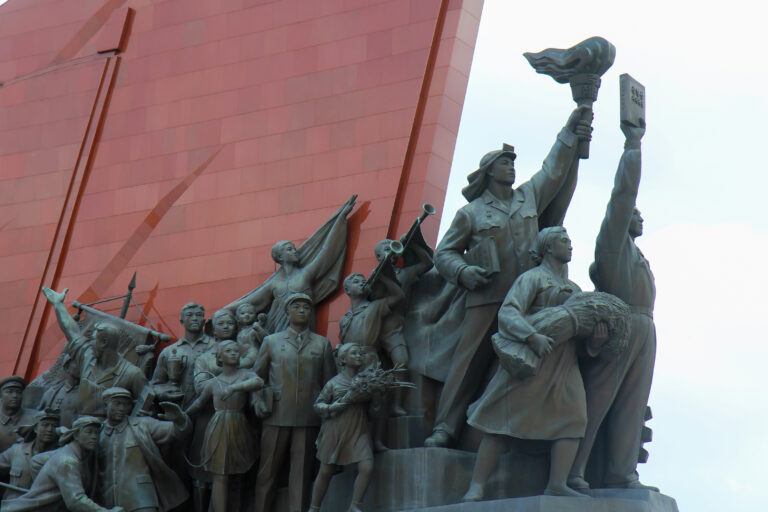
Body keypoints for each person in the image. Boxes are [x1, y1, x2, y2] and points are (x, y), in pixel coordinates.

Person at [424, 106, 592, 447]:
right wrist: (464, 271)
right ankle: (445, 427)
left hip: (530, 298)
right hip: (486, 296)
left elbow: (553, 170)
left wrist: (568, 131)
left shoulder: (527, 196)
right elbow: (444, 253)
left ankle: (521, 434)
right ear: (489, 172)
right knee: (468, 364)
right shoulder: (470, 213)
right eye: (505, 163)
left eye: (514, 163)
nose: (512, 168)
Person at [462, 227, 607, 500]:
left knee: (575, 420)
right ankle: (477, 485)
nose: (570, 246)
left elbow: (580, 334)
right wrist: (531, 336)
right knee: (501, 420)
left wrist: (595, 344)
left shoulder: (575, 289)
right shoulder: (532, 278)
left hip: (565, 362)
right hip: (532, 359)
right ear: (548, 247)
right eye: (565, 241)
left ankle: (557, 483)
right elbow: (508, 312)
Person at [568, 120, 658, 492]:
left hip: (645, 327)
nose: (639, 216)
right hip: (620, 324)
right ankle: (572, 470)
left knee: (631, 407)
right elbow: (622, 194)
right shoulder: (612, 246)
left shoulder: (637, 255)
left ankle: (622, 473)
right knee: (597, 402)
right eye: (635, 213)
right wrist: (632, 146)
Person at [224, 195, 356, 334]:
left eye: (293, 248)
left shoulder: (305, 274)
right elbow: (252, 299)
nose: (294, 251)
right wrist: (225, 311)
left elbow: (326, 253)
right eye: (289, 249)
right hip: (278, 328)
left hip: (303, 327)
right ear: (279, 257)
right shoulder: (274, 283)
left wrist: (340, 220)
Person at [253, 293, 336, 512]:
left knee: (301, 475)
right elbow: (257, 379)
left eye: (306, 308)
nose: (302, 311)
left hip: (309, 416)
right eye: (297, 307)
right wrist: (257, 402)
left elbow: (330, 384)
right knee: (267, 472)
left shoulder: (322, 344)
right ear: (288, 312)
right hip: (276, 414)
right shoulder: (271, 342)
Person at [41, 287, 150, 417]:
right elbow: (72, 332)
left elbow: (146, 403)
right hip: (81, 430)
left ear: (104, 342)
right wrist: (58, 305)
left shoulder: (132, 374)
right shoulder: (88, 357)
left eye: (93, 340)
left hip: (106, 433)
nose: (89, 343)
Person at [185, 340, 264, 512]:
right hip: (218, 427)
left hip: (238, 426)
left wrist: (235, 387)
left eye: (236, 351)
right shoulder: (213, 383)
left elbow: (258, 382)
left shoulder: (245, 374)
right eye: (228, 351)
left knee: (237, 474)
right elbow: (199, 404)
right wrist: (182, 415)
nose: (234, 353)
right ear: (219, 356)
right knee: (219, 475)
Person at [151, 302, 214, 512]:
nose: (195, 318)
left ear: (204, 320)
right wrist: (165, 391)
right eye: (190, 315)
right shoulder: (169, 352)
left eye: (199, 314)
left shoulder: (216, 347)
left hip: (207, 416)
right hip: (177, 417)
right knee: (177, 465)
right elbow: (154, 385)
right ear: (181, 321)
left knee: (203, 465)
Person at [308, 343, 382, 512]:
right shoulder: (333, 383)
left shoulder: (366, 382)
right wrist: (334, 407)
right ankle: (314, 507)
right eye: (354, 353)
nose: (359, 356)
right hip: (335, 430)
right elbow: (318, 405)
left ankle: (355, 505)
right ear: (342, 360)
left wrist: (376, 397)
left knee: (367, 467)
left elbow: (374, 414)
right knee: (326, 470)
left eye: (360, 354)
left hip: (358, 430)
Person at [1, 416, 123, 512]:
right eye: (89, 432)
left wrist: (54, 486)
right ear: (76, 435)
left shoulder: (73, 452)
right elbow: (75, 501)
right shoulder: (67, 461)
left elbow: (36, 460)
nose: (94, 437)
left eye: (96, 433)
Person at [98, 387, 190, 512]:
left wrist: (179, 419)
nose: (122, 408)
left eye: (126, 405)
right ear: (105, 405)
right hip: (108, 502)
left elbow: (176, 432)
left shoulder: (142, 425)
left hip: (142, 499)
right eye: (117, 404)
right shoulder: (97, 433)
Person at [0, 409, 60, 501]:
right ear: (35, 428)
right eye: (45, 425)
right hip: (14, 505)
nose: (50, 430)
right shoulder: (17, 451)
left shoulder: (60, 456)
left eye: (54, 426)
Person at [39, 353, 80, 428]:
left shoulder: (88, 392)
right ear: (67, 367)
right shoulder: (52, 392)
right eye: (77, 362)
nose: (81, 366)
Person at [0, 377, 36, 453]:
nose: (15, 396)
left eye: (19, 392)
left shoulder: (34, 417)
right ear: (1, 396)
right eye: (9, 392)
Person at [234, 303, 267, 368]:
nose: (246, 315)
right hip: (241, 355)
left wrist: (259, 329)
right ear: (237, 318)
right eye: (242, 313)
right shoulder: (239, 331)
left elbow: (266, 340)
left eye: (250, 313)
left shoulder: (254, 328)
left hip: (253, 355)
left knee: (237, 366)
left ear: (255, 316)